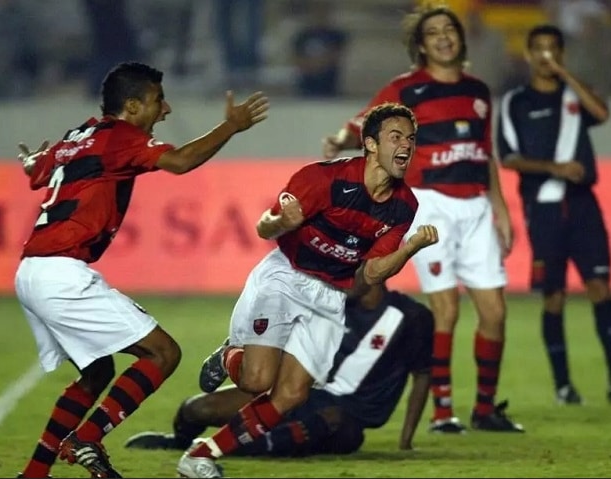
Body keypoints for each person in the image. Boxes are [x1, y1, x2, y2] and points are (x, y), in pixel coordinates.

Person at [12, 61, 269, 479]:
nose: (164, 110)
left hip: (32, 271)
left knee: (97, 372)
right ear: (132, 106)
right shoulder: (120, 138)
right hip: (61, 272)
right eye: (157, 101)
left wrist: (32, 164)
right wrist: (231, 127)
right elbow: (182, 161)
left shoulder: (82, 134)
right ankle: (85, 440)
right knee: (164, 353)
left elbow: (38, 171)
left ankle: (35, 472)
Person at [176, 102, 439, 478]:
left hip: (332, 294)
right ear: (369, 144)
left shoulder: (403, 206)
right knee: (255, 381)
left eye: (411, 139)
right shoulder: (323, 179)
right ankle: (229, 356)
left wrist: (410, 247)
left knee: (292, 395)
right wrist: (281, 222)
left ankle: (201, 455)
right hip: (287, 276)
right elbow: (264, 226)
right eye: (395, 137)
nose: (406, 146)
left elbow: (375, 271)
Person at [321, 3, 520, 434]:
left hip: (476, 209)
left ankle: (485, 409)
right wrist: (340, 138)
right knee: (445, 309)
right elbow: (365, 123)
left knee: (495, 313)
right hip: (431, 204)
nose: (444, 36)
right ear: (422, 45)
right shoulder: (407, 89)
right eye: (434, 32)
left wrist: (500, 208)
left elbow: (487, 153)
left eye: (450, 29)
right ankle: (443, 411)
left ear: (459, 38)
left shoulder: (479, 90)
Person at [495, 24, 611, 406]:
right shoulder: (516, 102)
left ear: (561, 54)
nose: (546, 56)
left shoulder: (573, 96)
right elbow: (508, 157)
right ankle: (563, 386)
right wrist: (554, 168)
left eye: (553, 50)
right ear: (528, 55)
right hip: (543, 209)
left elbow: (602, 112)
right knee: (553, 297)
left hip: (582, 205)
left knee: (599, 287)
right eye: (539, 49)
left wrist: (566, 76)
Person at [125, 283, 432, 456]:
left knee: (338, 426)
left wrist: (405, 440)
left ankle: (228, 448)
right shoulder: (328, 302)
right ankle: (179, 442)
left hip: (348, 415)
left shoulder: (412, 317)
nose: (344, 274)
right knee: (197, 409)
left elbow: (422, 375)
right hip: (295, 391)